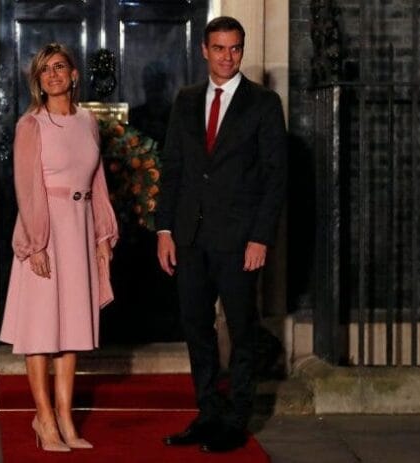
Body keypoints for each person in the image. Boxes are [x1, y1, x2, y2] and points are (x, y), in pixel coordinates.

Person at [156, 16, 287, 453]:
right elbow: (173, 168)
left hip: (239, 240)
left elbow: (275, 177)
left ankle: (236, 421)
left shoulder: (263, 103)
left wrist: (260, 238)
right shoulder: (186, 100)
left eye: (235, 48)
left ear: (242, 50)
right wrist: (165, 229)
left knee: (242, 331)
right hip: (190, 237)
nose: (227, 57)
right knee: (197, 328)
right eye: (219, 48)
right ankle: (209, 413)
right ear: (204, 51)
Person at [0, 43, 118, 452]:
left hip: (80, 230)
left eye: (59, 67)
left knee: (72, 329)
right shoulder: (31, 124)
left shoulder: (88, 121)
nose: (52, 75)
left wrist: (102, 237)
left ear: (74, 75)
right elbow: (27, 186)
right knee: (41, 330)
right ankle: (44, 418)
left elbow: (97, 181)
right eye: (44, 69)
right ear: (38, 80)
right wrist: (36, 243)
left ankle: (66, 418)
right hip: (46, 229)